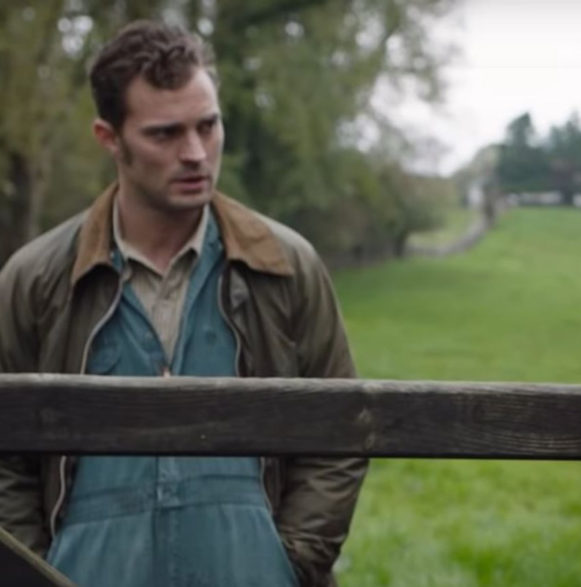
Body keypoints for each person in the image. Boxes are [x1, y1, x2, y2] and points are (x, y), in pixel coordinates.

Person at [0, 20, 368, 587]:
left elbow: (341, 433)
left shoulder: (284, 267)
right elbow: (5, 459)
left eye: (208, 126)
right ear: (109, 138)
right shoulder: (37, 280)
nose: (195, 153)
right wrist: (39, 574)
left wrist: (290, 564)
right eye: (165, 134)